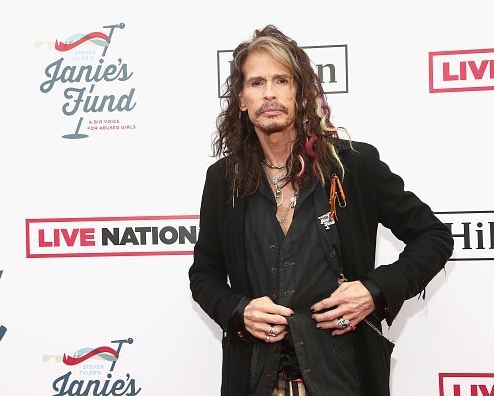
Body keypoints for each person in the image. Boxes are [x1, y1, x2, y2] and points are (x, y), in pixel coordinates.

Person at [188, 25, 453, 396]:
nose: (269, 94)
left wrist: (374, 291)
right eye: (256, 83)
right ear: (242, 100)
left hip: (345, 379)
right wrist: (238, 310)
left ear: (301, 92)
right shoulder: (223, 179)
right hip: (255, 379)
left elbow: (434, 237)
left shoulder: (354, 166)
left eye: (281, 80)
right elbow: (204, 276)